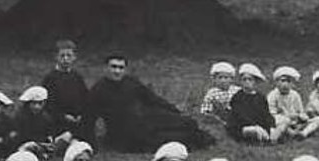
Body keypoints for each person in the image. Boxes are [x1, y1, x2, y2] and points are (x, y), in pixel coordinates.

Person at [86, 53, 214, 153]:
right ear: (105, 68)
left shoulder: (130, 82)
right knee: (176, 137)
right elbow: (89, 118)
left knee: (188, 123)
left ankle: (198, 137)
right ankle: (196, 141)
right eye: (113, 67)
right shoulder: (98, 90)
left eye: (121, 67)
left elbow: (152, 99)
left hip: (145, 121)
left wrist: (174, 111)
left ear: (125, 69)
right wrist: (90, 144)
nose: (117, 71)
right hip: (125, 136)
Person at [42, 39, 91, 144]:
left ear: (74, 57)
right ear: (56, 57)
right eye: (62, 56)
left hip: (76, 118)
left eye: (69, 56)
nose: (65, 59)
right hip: (59, 119)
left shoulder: (77, 77)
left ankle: (75, 140)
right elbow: (48, 104)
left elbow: (85, 98)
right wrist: (63, 116)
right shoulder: (50, 78)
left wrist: (80, 114)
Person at [267, 66, 319, 140]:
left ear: (293, 84)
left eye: (289, 81)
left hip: (296, 122)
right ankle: (292, 134)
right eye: (283, 81)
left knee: (318, 120)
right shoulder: (273, 95)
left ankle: (303, 134)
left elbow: (300, 111)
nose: (285, 84)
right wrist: (287, 116)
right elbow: (271, 114)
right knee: (282, 123)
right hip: (282, 123)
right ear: (277, 82)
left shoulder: (295, 95)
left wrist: (301, 116)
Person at [227, 63, 277, 143]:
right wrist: (255, 126)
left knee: (275, 128)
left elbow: (266, 114)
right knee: (254, 131)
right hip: (242, 127)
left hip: (259, 125)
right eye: (244, 79)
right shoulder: (237, 97)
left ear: (255, 82)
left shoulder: (260, 97)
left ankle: (269, 139)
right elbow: (240, 116)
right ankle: (260, 139)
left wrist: (272, 126)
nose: (247, 82)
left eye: (250, 79)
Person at [13, 86, 60, 159]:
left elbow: (49, 132)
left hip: (40, 143)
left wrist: (49, 140)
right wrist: (39, 143)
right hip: (24, 143)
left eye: (40, 103)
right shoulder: (21, 116)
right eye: (33, 103)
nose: (36, 107)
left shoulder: (46, 117)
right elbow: (22, 135)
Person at [199, 62, 238, 129]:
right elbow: (206, 110)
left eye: (226, 78)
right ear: (214, 79)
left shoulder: (237, 90)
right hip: (219, 117)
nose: (223, 80)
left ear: (231, 79)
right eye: (220, 78)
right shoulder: (212, 93)